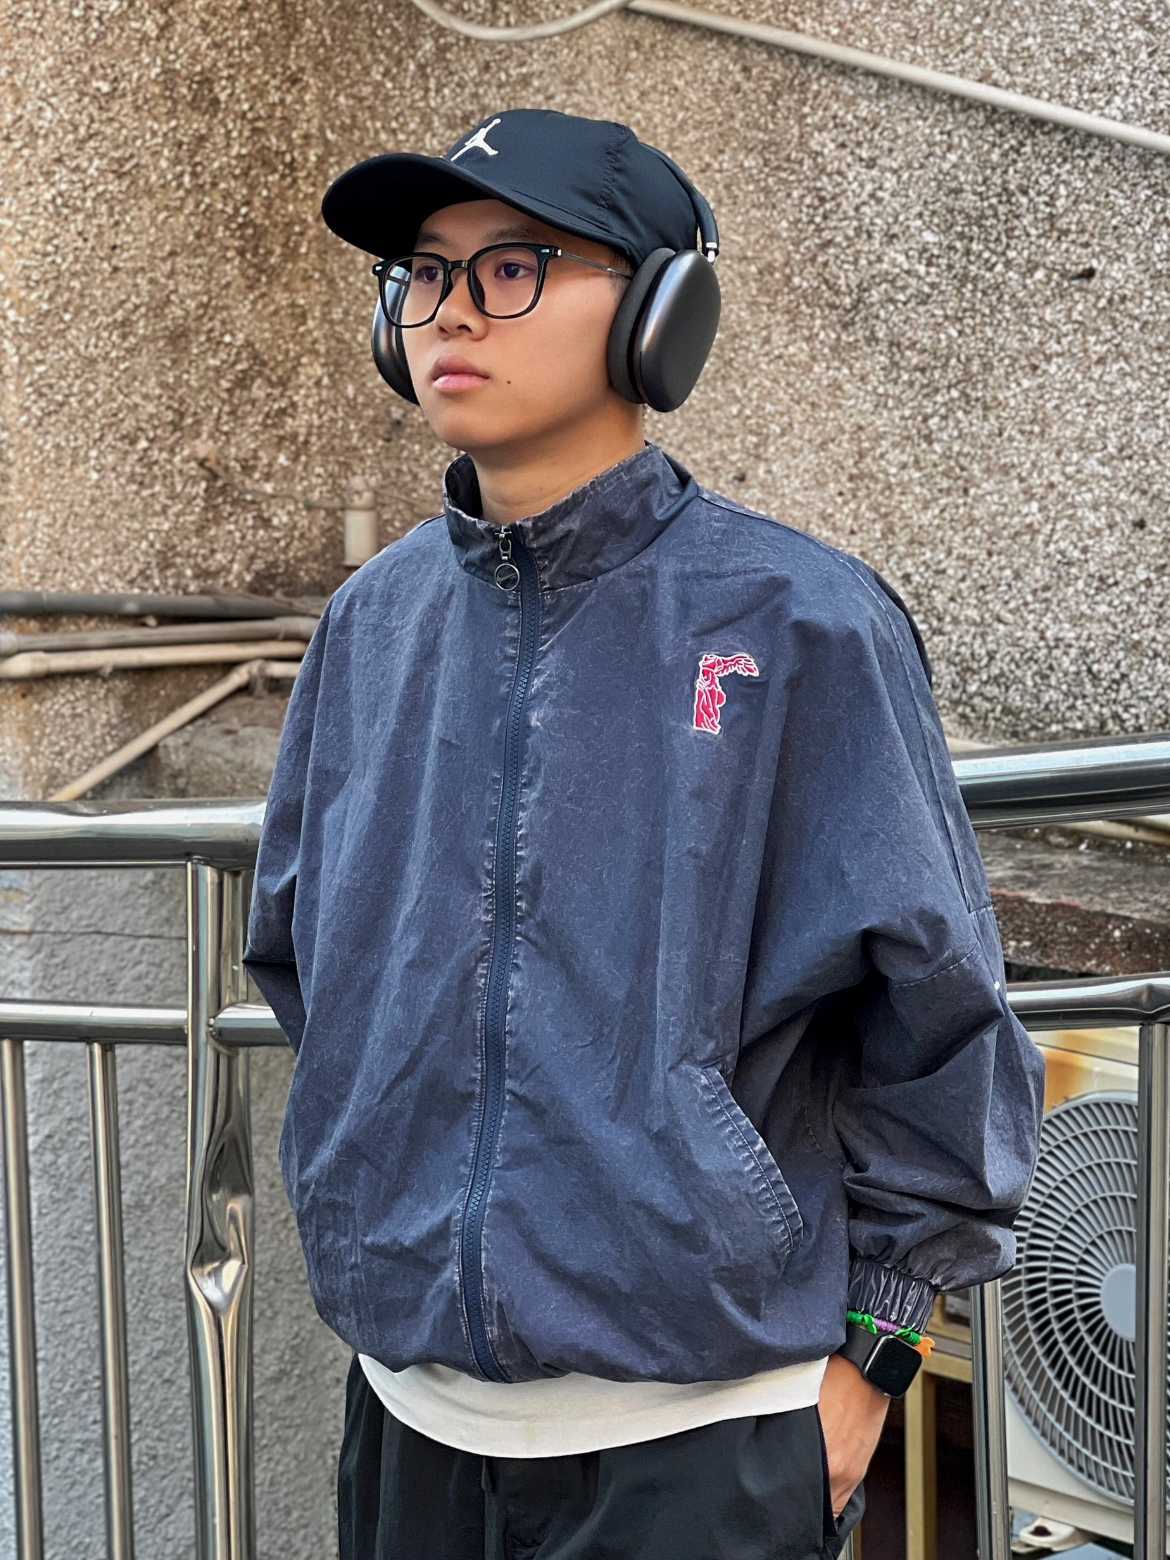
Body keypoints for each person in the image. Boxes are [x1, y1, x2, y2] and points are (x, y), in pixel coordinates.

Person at [244, 108, 1045, 1560]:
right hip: (410, 1418)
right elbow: (309, 962)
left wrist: (876, 1351)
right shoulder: (370, 626)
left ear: (661, 314)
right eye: (423, 272)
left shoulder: (801, 622)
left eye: (512, 268)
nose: (448, 313)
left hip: (707, 1435)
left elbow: (939, 1018)